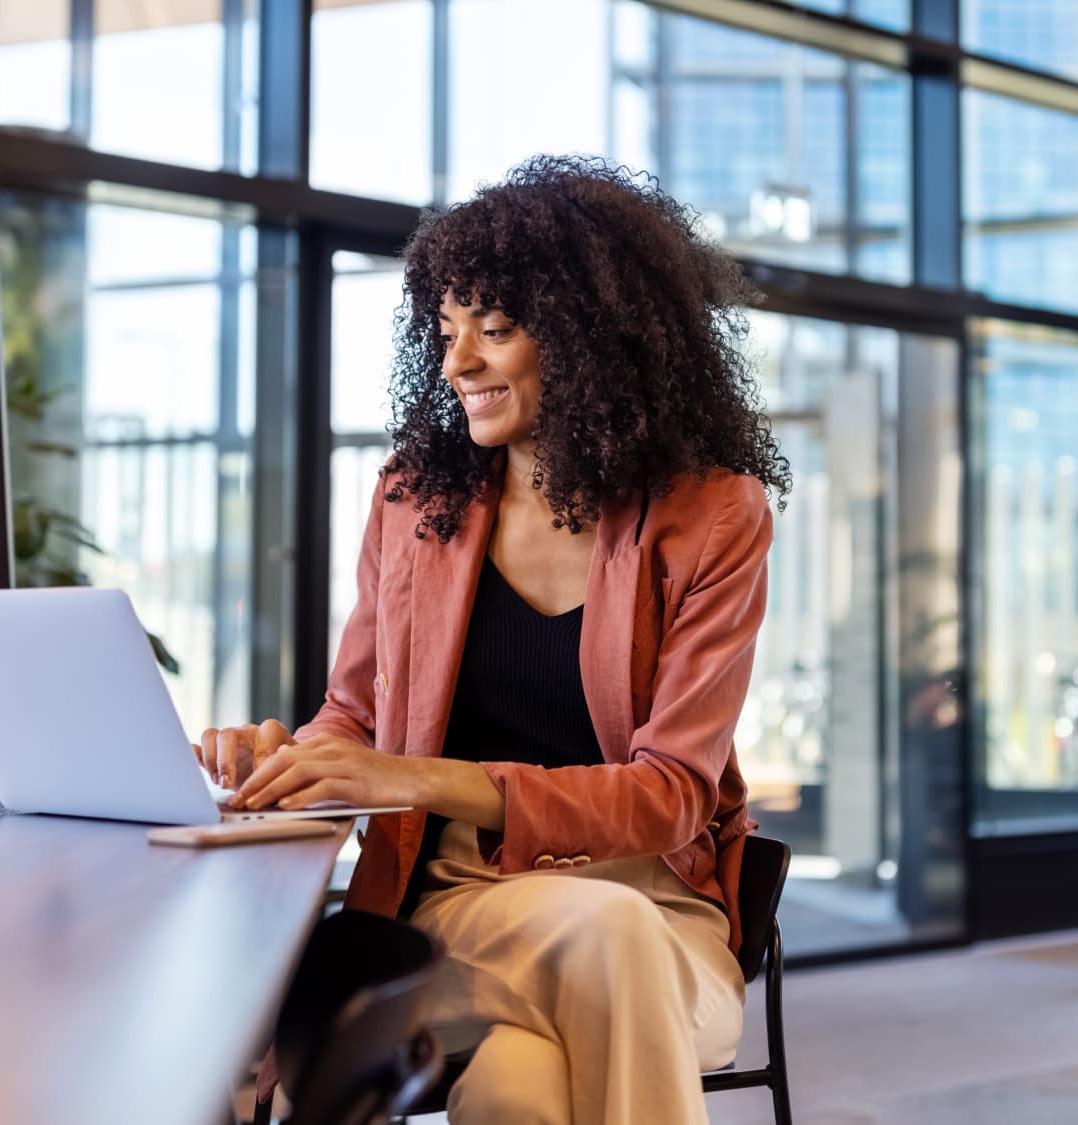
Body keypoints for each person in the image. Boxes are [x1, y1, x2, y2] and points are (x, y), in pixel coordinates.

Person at [196, 154, 790, 1125]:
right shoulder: (412, 500)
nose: (455, 362)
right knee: (602, 941)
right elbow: (350, 714)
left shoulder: (711, 515)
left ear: (594, 337)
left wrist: (418, 779)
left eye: (494, 330)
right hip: (456, 903)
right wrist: (271, 764)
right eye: (444, 331)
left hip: (655, 913)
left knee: (524, 1085)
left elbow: (673, 794)